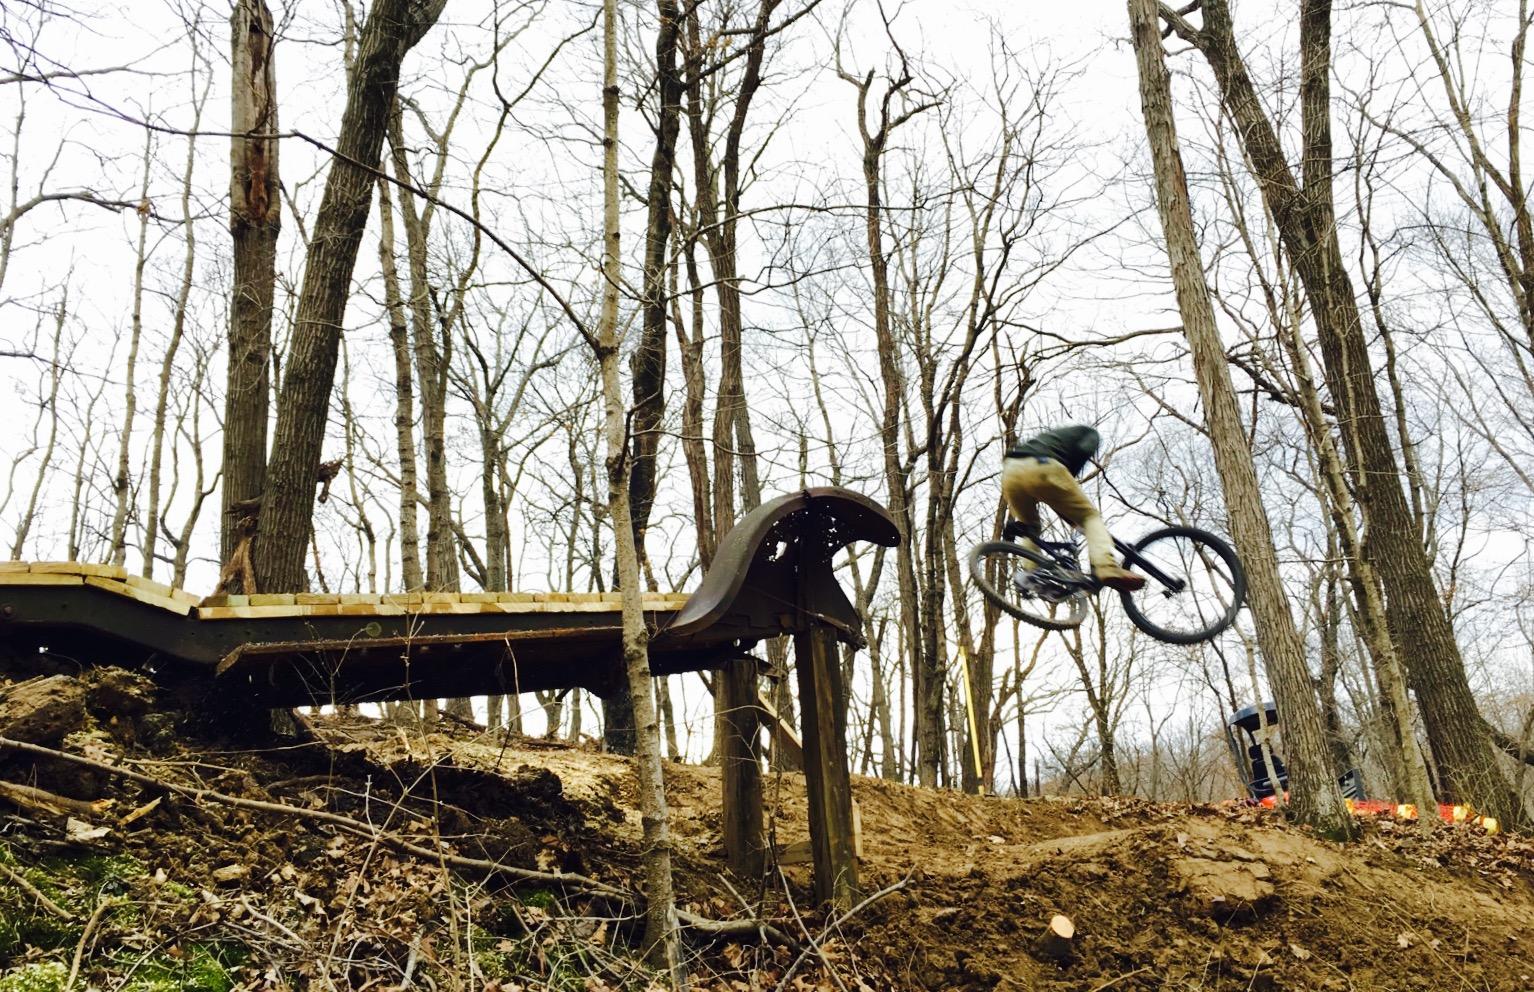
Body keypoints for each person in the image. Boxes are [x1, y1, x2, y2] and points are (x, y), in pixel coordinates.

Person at [1001, 424, 1145, 592]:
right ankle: (1107, 566)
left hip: (1010, 473)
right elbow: (1081, 454)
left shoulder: (1050, 438)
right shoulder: (1090, 434)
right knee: (1090, 517)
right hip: (1043, 466)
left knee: (1030, 526)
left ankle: (1031, 574)